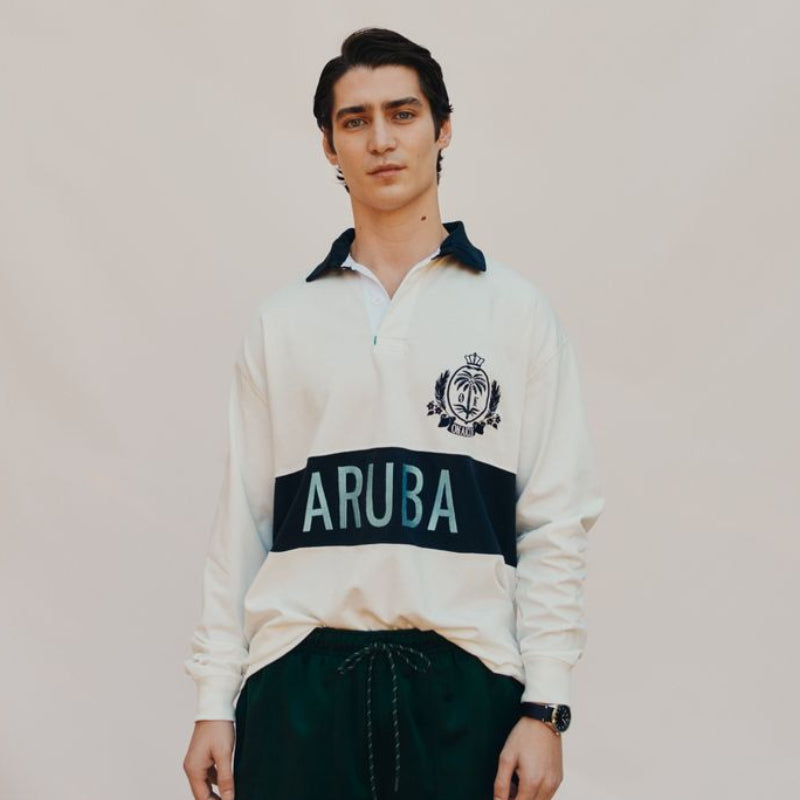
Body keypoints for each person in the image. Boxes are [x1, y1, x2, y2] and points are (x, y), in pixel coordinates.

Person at [182, 26, 604, 800]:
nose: (381, 139)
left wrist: (544, 704)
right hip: (301, 682)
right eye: (355, 120)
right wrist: (215, 697)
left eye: (403, 114)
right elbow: (241, 524)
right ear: (327, 145)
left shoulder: (515, 312)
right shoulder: (283, 322)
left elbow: (554, 521)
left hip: (464, 684)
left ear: (443, 129)